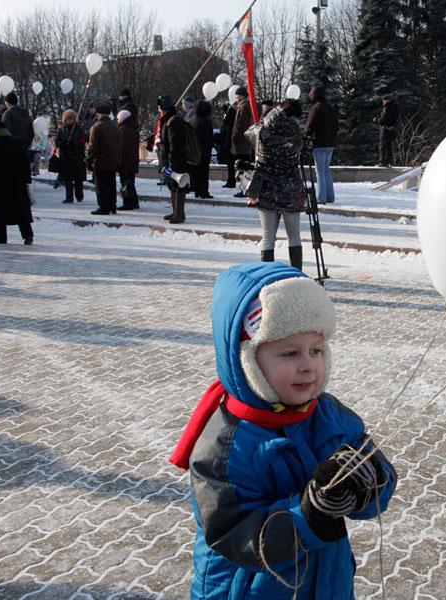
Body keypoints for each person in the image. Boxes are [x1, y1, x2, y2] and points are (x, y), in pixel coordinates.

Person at [168, 262, 397, 599]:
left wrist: (369, 485)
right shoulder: (226, 446)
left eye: (316, 350)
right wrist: (310, 514)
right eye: (290, 353)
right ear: (247, 361)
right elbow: (231, 534)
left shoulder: (329, 415)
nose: (307, 365)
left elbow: (383, 475)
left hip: (327, 586)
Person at [244, 99, 306, 267]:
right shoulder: (295, 134)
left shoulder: (263, 129)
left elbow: (247, 134)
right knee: (294, 235)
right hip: (291, 186)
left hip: (266, 186)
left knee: (267, 236)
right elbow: (297, 149)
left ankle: (268, 275)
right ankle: (296, 274)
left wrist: (260, 124)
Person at [157, 94, 190, 224]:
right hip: (172, 158)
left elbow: (174, 143)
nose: (158, 109)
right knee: (172, 186)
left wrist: (171, 161)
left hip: (176, 159)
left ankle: (179, 214)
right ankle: (175, 211)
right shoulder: (169, 119)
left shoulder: (173, 120)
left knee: (178, 186)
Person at [86, 105, 123, 215]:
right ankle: (112, 206)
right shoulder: (116, 128)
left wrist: (89, 160)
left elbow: (93, 147)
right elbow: (121, 146)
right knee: (111, 184)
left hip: (100, 160)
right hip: (113, 161)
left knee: (101, 185)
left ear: (98, 114)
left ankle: (103, 207)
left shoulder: (96, 127)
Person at [306, 86, 338, 205]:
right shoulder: (331, 108)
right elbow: (336, 125)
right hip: (330, 143)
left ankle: (321, 197)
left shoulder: (316, 108)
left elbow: (310, 126)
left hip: (319, 143)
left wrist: (307, 135)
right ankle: (330, 196)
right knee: (326, 170)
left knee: (320, 171)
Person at [55, 109, 87, 203]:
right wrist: (64, 143)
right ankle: (69, 197)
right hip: (65, 158)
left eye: (71, 119)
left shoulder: (79, 130)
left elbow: (83, 141)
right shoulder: (61, 130)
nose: (69, 121)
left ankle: (79, 195)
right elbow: (57, 141)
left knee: (78, 179)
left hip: (77, 157)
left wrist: (74, 143)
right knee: (68, 179)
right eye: (68, 120)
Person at [116, 89, 140, 210]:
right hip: (132, 160)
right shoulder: (133, 128)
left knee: (126, 182)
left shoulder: (123, 131)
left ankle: (128, 202)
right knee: (130, 181)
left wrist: (118, 160)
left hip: (125, 160)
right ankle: (134, 202)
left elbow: (122, 148)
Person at [230, 86, 254, 198]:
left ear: (242, 95)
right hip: (243, 142)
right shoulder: (244, 106)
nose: (236, 97)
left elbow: (241, 124)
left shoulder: (244, 106)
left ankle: (244, 189)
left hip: (241, 142)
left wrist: (235, 136)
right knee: (243, 167)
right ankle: (244, 189)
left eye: (238, 95)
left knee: (242, 167)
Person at [190, 100, 215, 199]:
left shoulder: (192, 120)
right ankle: (204, 191)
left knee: (196, 171)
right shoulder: (207, 121)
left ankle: (197, 190)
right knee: (204, 172)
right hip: (204, 150)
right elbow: (209, 137)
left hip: (195, 150)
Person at [373, 96, 399, 167]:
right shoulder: (394, 107)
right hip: (392, 129)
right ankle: (390, 162)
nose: (382, 101)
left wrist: (376, 120)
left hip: (385, 129)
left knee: (382, 146)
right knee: (389, 146)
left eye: (384, 100)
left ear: (387, 100)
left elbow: (383, 119)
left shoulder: (387, 108)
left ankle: (382, 162)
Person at [220, 102, 237, 188]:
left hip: (229, 143)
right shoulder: (233, 117)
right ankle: (230, 180)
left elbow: (226, 126)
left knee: (230, 165)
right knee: (230, 165)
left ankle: (231, 181)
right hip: (229, 143)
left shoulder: (230, 119)